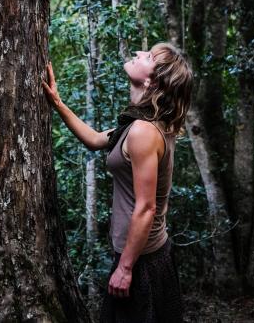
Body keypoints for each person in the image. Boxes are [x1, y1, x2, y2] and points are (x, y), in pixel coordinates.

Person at [41, 42, 193, 322]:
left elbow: (146, 208)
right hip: (140, 255)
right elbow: (96, 139)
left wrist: (125, 268)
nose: (137, 53)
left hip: (141, 260)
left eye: (147, 56)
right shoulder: (140, 124)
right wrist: (57, 102)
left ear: (152, 80)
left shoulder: (144, 132)